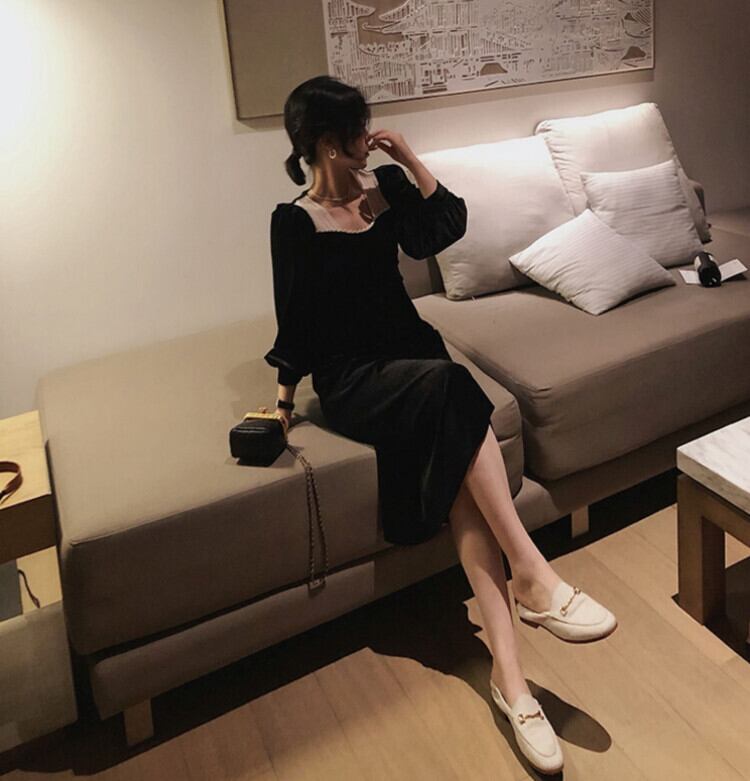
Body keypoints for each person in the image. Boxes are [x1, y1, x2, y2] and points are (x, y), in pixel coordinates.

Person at [265, 75, 616, 774]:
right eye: (358, 130)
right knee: (455, 387)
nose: (369, 138)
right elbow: (295, 320)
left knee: (461, 474)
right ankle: (532, 573)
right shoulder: (294, 221)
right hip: (355, 378)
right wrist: (280, 402)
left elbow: (445, 228)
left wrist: (412, 160)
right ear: (327, 145)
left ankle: (513, 683)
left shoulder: (386, 188)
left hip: (416, 358)